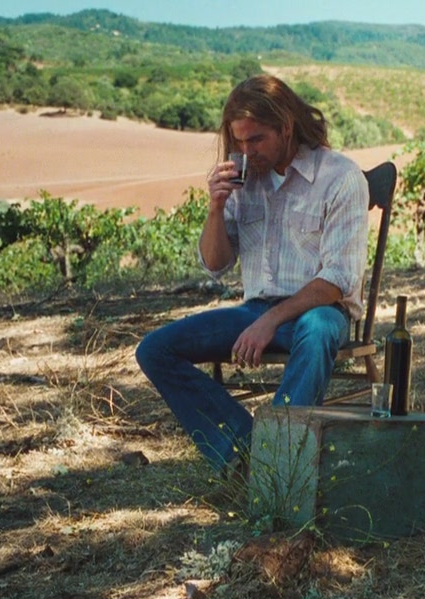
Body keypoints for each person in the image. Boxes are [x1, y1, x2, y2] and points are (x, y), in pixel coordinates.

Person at [136, 74, 370, 478]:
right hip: (255, 310)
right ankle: (247, 450)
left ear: (286, 127)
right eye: (239, 141)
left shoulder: (340, 177)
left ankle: (277, 463)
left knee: (316, 331)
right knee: (154, 349)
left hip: (320, 310)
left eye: (256, 139)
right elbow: (216, 264)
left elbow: (338, 279)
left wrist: (270, 321)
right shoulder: (243, 180)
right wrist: (216, 206)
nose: (246, 151)